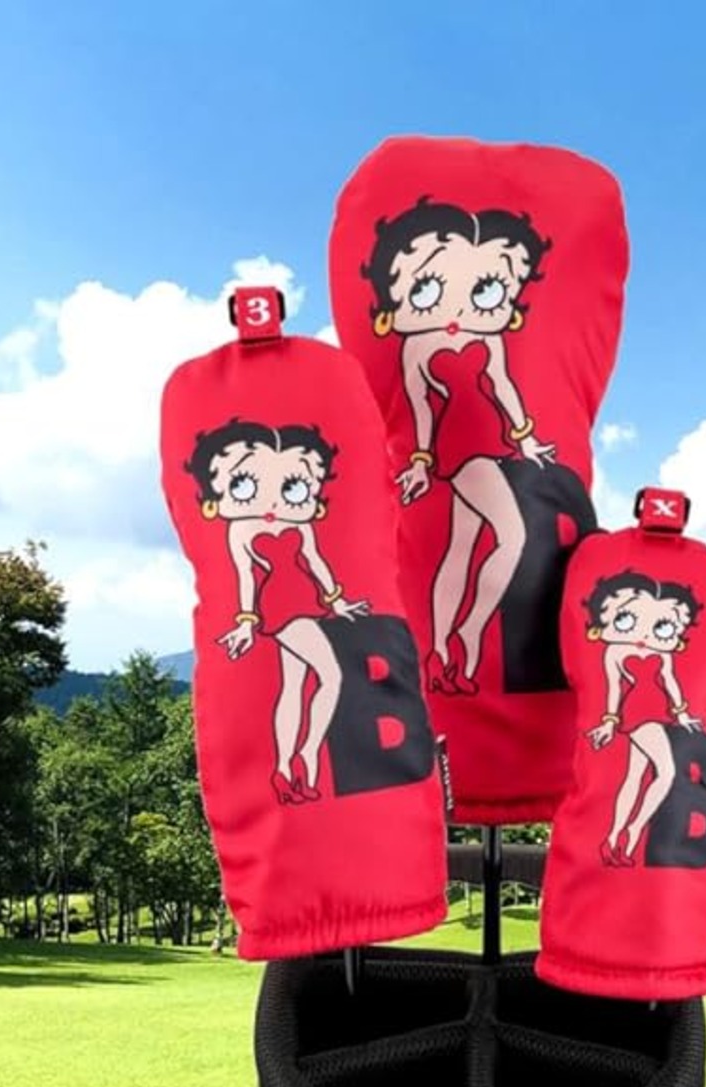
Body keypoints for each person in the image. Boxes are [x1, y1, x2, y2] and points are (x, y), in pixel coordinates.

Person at [362, 197, 555, 694]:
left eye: (485, 288)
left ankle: (440, 650)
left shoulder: (487, 338)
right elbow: (420, 407)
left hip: (491, 443)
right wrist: (421, 460)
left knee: (461, 548)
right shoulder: (417, 344)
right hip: (461, 449)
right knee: (512, 536)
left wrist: (525, 436)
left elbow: (502, 385)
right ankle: (469, 631)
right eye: (428, 286)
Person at [185, 419, 368, 803]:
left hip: (306, 603)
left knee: (294, 686)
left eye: (291, 486)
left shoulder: (298, 524)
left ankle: (284, 769)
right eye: (244, 484)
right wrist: (246, 622)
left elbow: (315, 561)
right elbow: (245, 577)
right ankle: (308, 751)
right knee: (332, 675)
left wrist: (336, 600)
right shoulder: (240, 529)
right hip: (281, 608)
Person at [583, 571, 705, 866]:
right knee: (667, 772)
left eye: (662, 626)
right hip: (638, 714)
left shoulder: (662, 654)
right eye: (626, 620)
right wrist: (610, 721)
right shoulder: (614, 651)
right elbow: (614, 687)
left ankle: (614, 839)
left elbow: (670, 681)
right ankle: (634, 829)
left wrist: (681, 713)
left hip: (657, 713)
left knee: (634, 777)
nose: (645, 634)